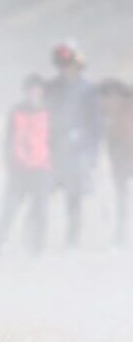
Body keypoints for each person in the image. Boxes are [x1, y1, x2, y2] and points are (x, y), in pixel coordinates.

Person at [44, 42, 102, 245]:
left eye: (70, 65)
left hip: (77, 150)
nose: (67, 69)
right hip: (53, 149)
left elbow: (95, 124)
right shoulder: (51, 87)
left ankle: (72, 239)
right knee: (41, 194)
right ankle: (35, 237)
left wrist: (92, 154)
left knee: (74, 197)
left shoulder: (89, 89)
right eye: (63, 65)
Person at [0, 75, 53, 256]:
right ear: (25, 91)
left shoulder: (50, 112)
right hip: (19, 169)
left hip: (42, 168)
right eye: (30, 89)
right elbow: (8, 139)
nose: (33, 92)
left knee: (41, 210)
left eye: (37, 88)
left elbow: (55, 140)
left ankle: (38, 246)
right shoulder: (16, 111)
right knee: (9, 208)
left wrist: (53, 164)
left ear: (42, 91)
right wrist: (10, 162)